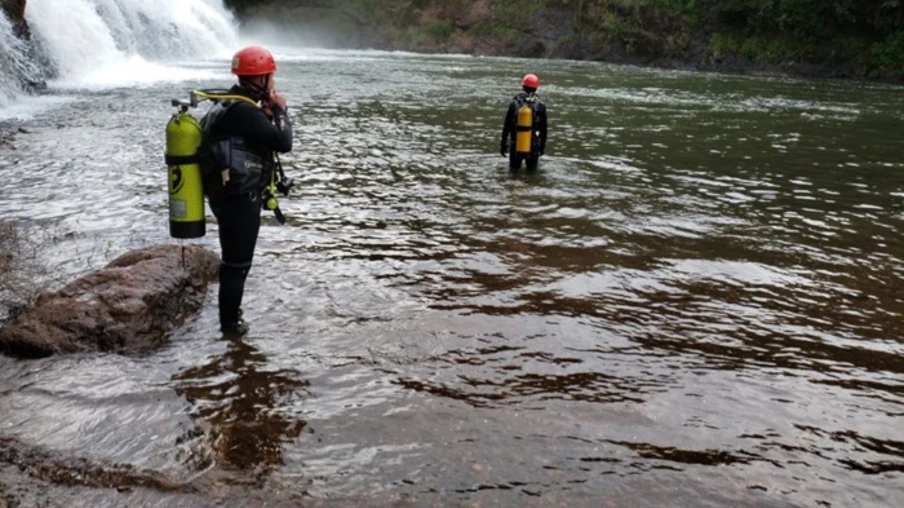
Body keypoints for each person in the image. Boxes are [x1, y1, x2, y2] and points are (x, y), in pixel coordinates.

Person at [200, 45, 293, 335]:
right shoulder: (243, 110)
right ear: (261, 79)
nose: (273, 82)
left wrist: (266, 113)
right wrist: (280, 110)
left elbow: (254, 133)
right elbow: (283, 141)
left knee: (234, 262)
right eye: (270, 77)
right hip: (239, 198)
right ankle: (230, 328)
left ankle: (230, 318)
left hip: (225, 193)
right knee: (237, 264)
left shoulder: (231, 103)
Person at [499, 73, 547, 173]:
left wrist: (503, 145)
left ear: (523, 86)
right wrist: (542, 147)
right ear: (536, 88)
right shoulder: (541, 105)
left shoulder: (514, 103)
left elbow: (506, 127)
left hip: (516, 144)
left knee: (513, 173)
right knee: (532, 174)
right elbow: (544, 129)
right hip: (533, 146)